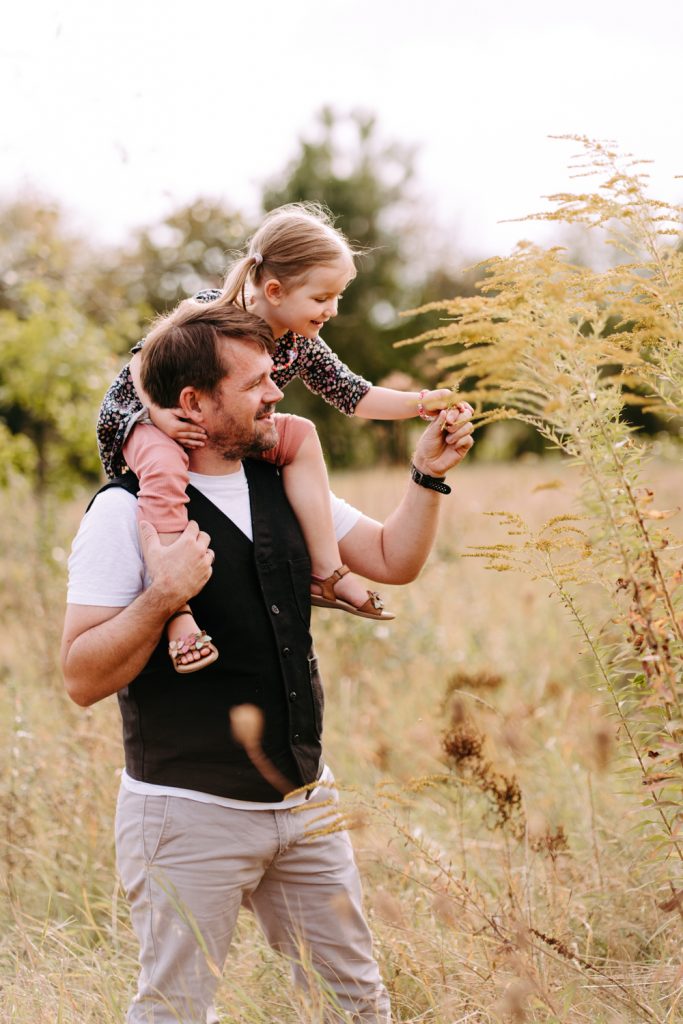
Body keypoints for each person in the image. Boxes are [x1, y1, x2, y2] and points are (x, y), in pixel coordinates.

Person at [64, 302, 473, 1024]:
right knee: (176, 1014)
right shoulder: (120, 513)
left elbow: (390, 559)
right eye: (255, 382)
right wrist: (164, 596)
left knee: (355, 1007)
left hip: (306, 804)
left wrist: (425, 475)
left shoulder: (281, 480)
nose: (277, 391)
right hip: (188, 815)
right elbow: (81, 677)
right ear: (193, 401)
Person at [97, 202, 455, 672]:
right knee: (164, 468)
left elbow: (353, 393)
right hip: (144, 416)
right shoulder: (213, 311)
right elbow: (144, 361)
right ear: (274, 289)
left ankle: (326, 572)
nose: (333, 309)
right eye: (323, 297)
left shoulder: (298, 340)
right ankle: (176, 610)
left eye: (338, 296)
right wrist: (160, 414)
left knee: (301, 435)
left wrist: (421, 403)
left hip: (214, 433)